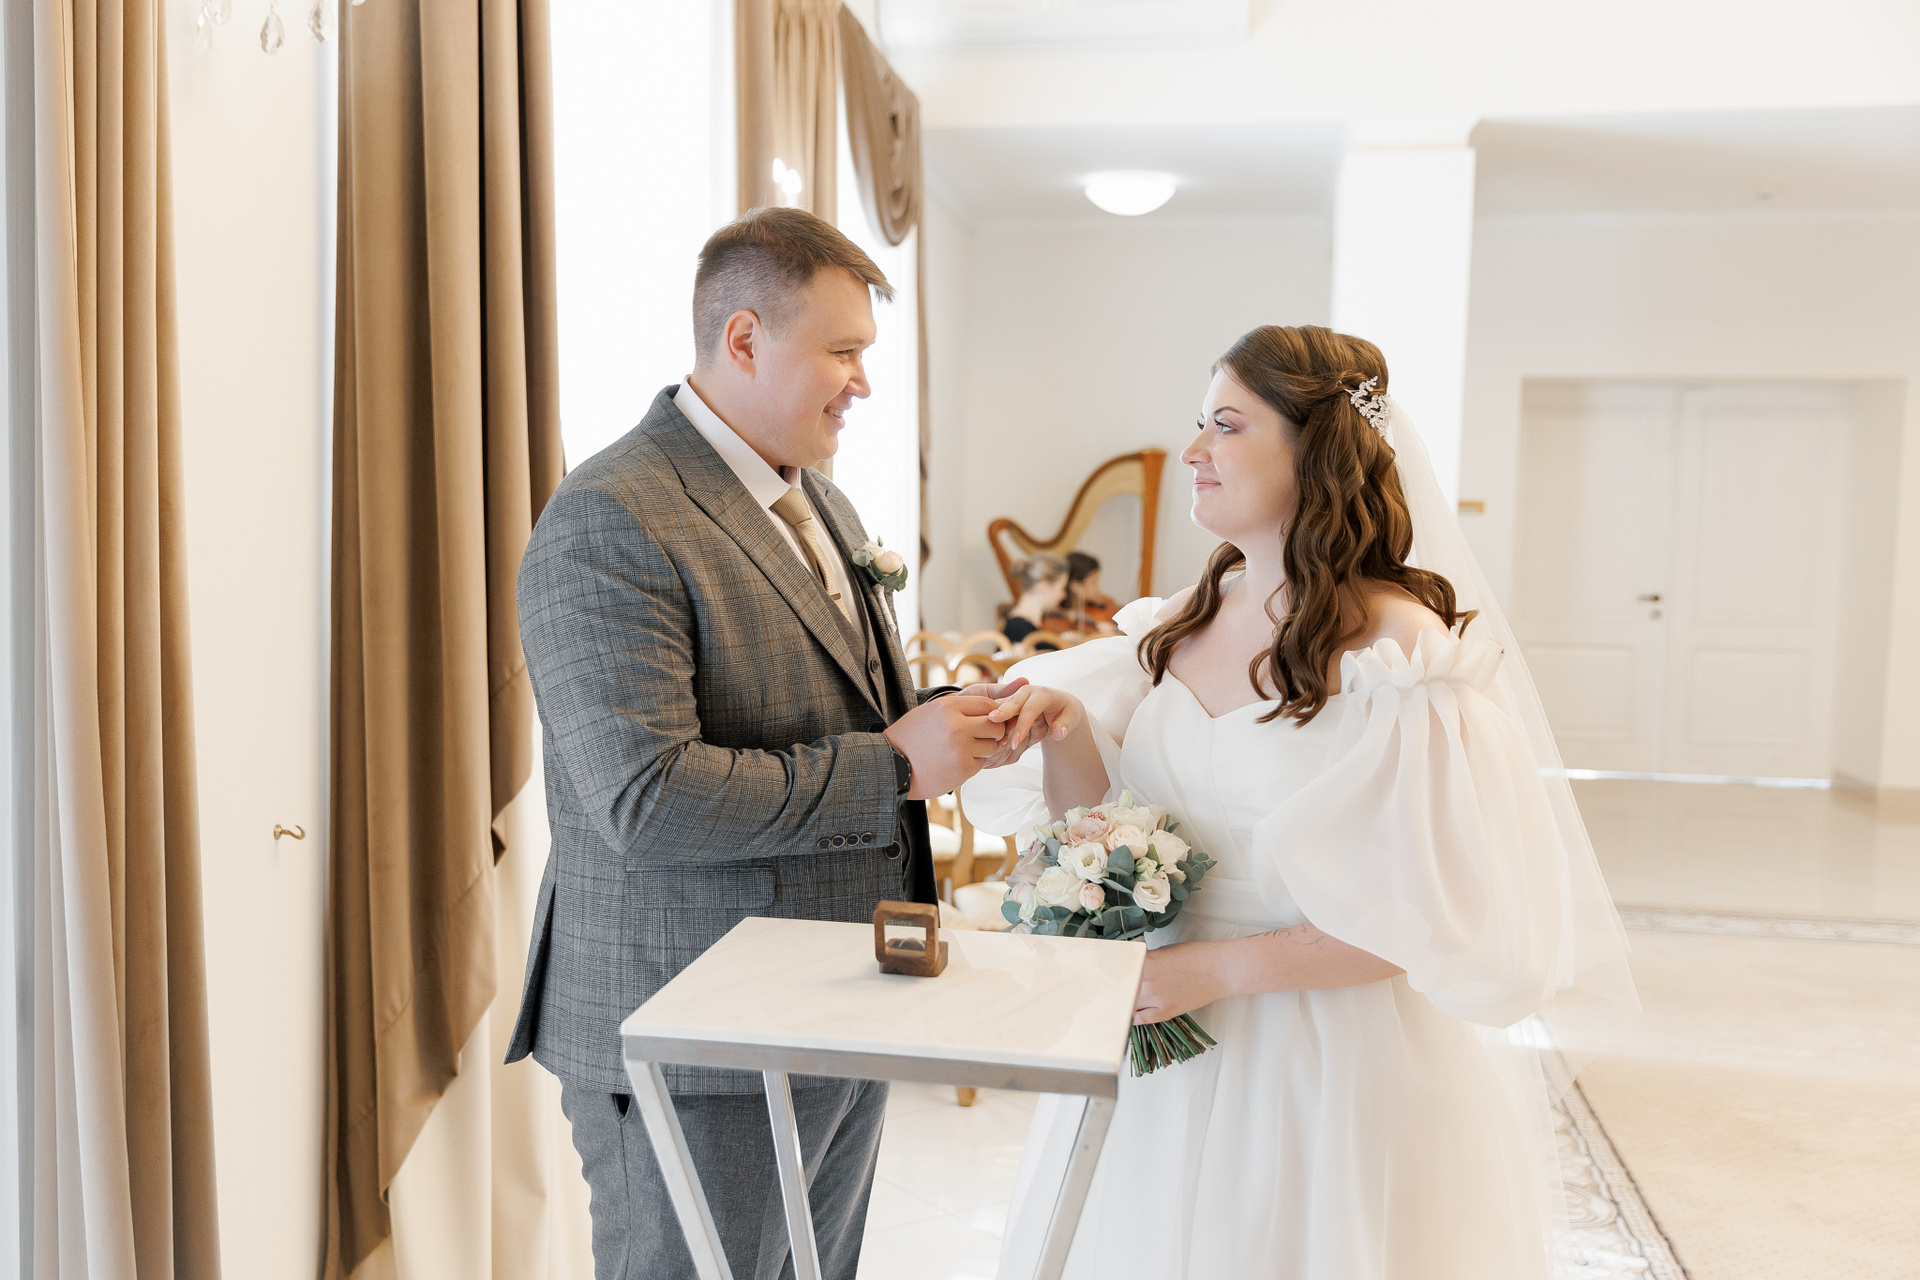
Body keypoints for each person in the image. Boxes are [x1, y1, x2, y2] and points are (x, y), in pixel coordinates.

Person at [964, 325, 1636, 1279]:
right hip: (1159, 1048)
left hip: (1319, 1057)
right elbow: (1105, 834)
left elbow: (1426, 913)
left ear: (1314, 449)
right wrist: (1069, 732)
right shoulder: (1179, 622)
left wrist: (1209, 971)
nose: (1193, 450)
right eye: (1200, 422)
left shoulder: (1401, 655)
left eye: (1227, 425)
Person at [506, 207, 1022, 1280]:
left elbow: (839, 705)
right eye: (843, 351)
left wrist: (958, 719)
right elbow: (646, 797)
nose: (863, 383)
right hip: (691, 1029)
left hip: (840, 998)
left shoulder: (822, 498)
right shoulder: (610, 516)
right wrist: (897, 767)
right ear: (743, 339)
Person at [1041, 550, 1120, 638]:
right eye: (1093, 582)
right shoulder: (1055, 619)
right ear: (1075, 586)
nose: (1099, 587)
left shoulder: (1103, 604)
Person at [1003, 554, 1070, 647]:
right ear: (1044, 586)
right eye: (1062, 588)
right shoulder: (1018, 629)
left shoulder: (1024, 627)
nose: (1064, 595)